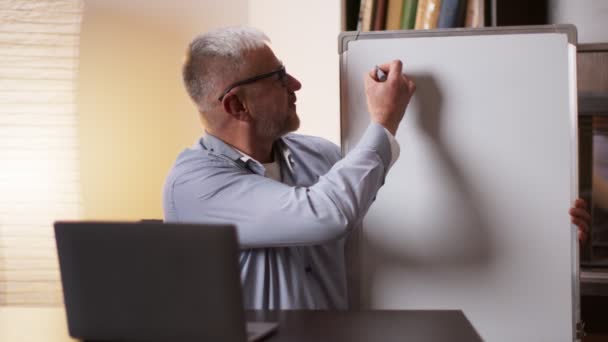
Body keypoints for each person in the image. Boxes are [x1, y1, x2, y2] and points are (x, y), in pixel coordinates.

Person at [163, 26, 590, 310]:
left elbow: (405, 207)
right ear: (237, 104)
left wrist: (554, 230)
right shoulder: (195, 185)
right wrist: (383, 122)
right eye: (278, 77)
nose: (295, 85)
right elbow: (324, 213)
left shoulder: (318, 156)